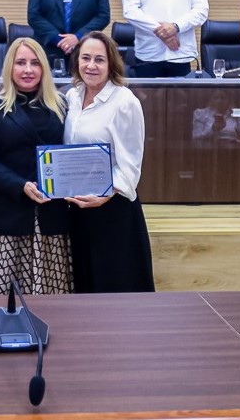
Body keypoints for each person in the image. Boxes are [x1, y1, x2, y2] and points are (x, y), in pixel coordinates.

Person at [0, 38, 71, 295]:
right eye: (20, 63)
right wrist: (21, 186)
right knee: (3, 297)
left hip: (53, 214)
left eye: (35, 63)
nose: (28, 70)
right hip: (10, 212)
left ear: (44, 68)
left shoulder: (62, 105)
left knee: (55, 298)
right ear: (10, 67)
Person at [63, 31, 154, 293]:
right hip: (78, 208)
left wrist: (106, 194)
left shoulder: (125, 102)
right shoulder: (72, 96)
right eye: (86, 58)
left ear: (111, 63)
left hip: (113, 211)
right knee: (84, 285)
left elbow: (131, 164)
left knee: (115, 289)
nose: (91, 65)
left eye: (99, 59)